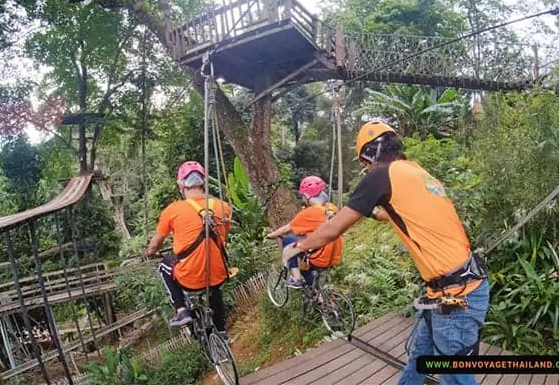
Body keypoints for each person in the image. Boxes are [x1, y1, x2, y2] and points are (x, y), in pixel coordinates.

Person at [282, 121, 489, 385]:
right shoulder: (416, 172)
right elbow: (389, 214)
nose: (366, 168)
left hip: (456, 295)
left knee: (455, 378)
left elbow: (333, 229)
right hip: (453, 287)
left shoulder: (381, 175)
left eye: (365, 162)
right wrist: (367, 208)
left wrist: (297, 247)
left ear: (371, 154)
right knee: (419, 356)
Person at [145, 161, 232, 338]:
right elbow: (224, 236)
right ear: (203, 182)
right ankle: (222, 331)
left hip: (190, 277)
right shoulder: (223, 207)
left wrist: (150, 253)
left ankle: (181, 309)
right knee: (214, 287)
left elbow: (155, 244)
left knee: (164, 265)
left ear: (181, 185)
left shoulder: (173, 210)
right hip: (219, 272)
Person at [266, 175, 343, 289]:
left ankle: (296, 278)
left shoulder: (308, 213)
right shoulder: (332, 208)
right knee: (305, 268)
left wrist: (271, 235)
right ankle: (320, 297)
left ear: (307, 196)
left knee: (288, 240)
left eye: (303, 196)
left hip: (320, 256)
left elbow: (287, 228)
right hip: (335, 255)